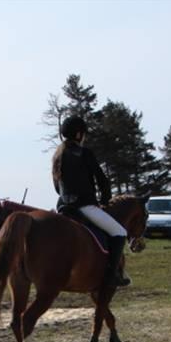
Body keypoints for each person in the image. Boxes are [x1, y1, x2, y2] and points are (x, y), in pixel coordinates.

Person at [52, 115, 130, 287]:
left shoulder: (57, 155)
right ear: (79, 135)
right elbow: (102, 180)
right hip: (84, 206)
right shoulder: (85, 153)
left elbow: (57, 186)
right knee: (119, 232)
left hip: (63, 207)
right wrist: (105, 199)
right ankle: (112, 275)